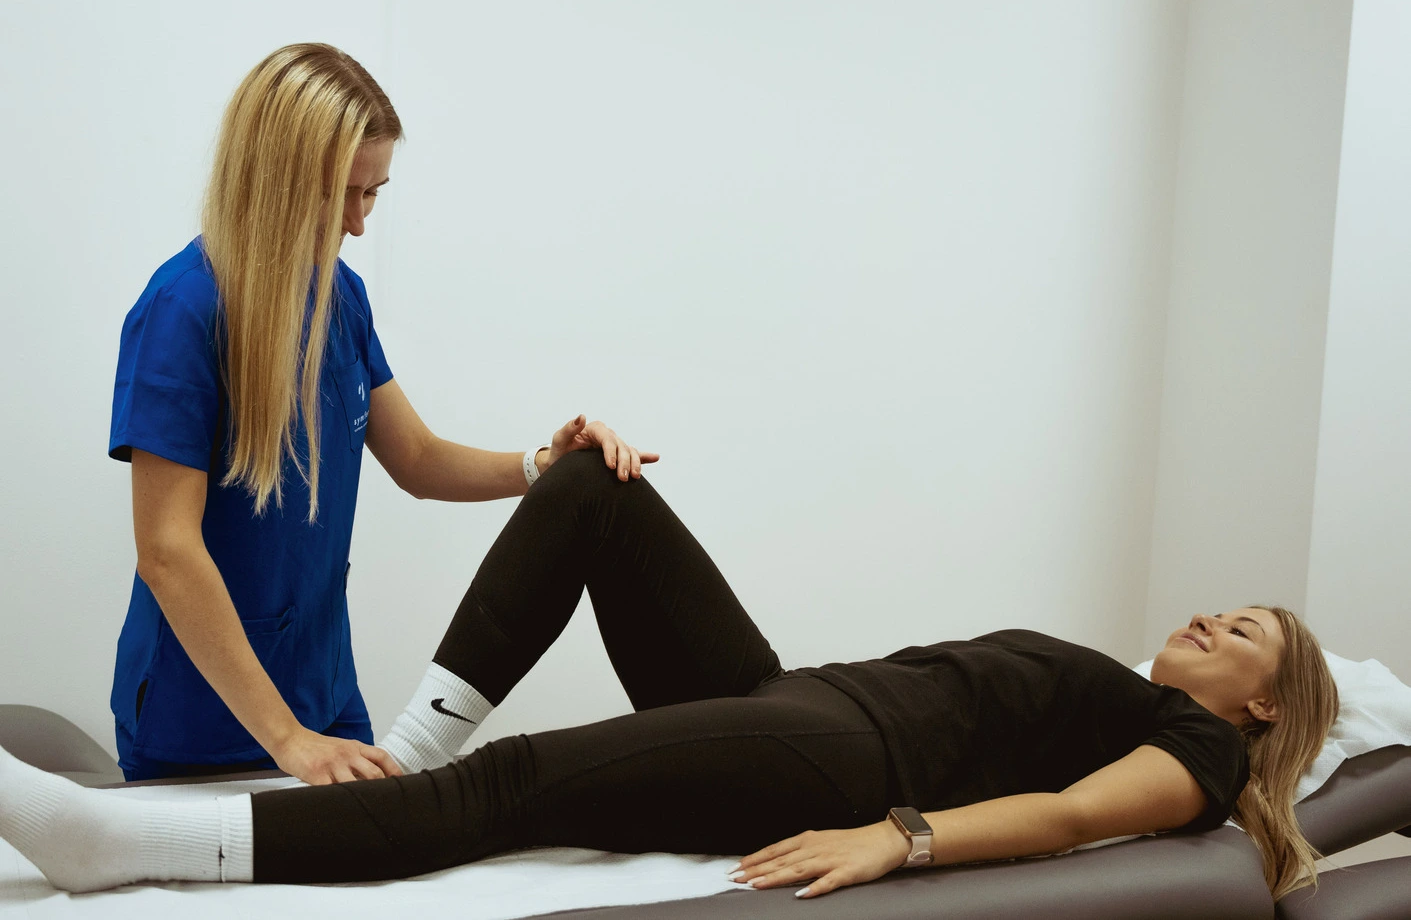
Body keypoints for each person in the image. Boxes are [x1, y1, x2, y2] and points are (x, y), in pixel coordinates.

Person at [0, 450, 1338, 901]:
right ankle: (409, 746)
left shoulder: (1201, 755)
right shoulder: (1138, 691)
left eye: (1238, 634)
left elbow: (1069, 817)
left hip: (841, 764)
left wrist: (901, 837)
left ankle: (118, 848)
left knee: (522, 782)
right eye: (1217, 608)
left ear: (1265, 704)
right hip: (792, 695)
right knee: (599, 486)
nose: (1204, 619)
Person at [107, 42, 656, 785]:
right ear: (271, 177)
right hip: (202, 715)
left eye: (373, 193)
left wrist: (543, 465)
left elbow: (418, 460)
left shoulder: (340, 297)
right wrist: (288, 740)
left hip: (325, 698)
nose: (358, 224)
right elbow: (166, 550)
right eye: (338, 194)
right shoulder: (183, 310)